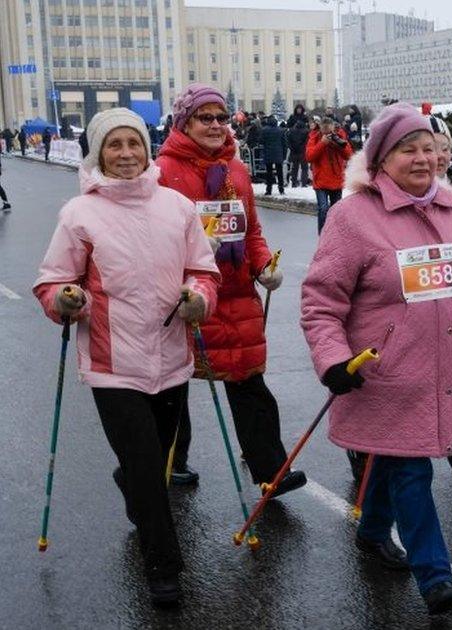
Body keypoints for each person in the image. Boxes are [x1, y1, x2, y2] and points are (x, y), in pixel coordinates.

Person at [300, 102, 452, 614]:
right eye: (405, 150)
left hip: (449, 367)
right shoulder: (352, 217)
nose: (421, 159)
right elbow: (322, 302)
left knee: (395, 461)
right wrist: (332, 360)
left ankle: (372, 529)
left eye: (428, 149)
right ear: (380, 160)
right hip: (383, 372)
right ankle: (434, 574)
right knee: (412, 470)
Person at [33, 107, 220, 606]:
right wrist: (66, 300)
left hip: (172, 356)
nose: (125, 155)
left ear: (146, 148)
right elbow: (53, 281)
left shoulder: (177, 207)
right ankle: (163, 566)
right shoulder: (79, 214)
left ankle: (132, 483)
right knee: (143, 463)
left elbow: (203, 270)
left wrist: (199, 297)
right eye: (113, 146)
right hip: (112, 364)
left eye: (133, 144)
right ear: (98, 153)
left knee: (152, 464)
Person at [155, 83, 305, 495]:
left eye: (222, 117)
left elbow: (251, 230)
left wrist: (263, 266)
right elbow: (153, 242)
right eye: (206, 118)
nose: (217, 125)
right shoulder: (163, 171)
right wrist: (196, 250)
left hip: (237, 296)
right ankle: (170, 464)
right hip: (187, 297)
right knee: (172, 388)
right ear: (185, 122)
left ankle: (270, 471)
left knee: (250, 384)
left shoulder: (236, 169)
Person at [305, 117, 353, 233]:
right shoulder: (315, 137)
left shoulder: (339, 136)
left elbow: (348, 155)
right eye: (324, 130)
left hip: (336, 179)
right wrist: (322, 143)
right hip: (320, 180)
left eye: (329, 130)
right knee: (323, 209)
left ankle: (335, 234)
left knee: (336, 210)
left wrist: (337, 144)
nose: (327, 133)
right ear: (321, 128)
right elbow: (309, 156)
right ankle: (323, 235)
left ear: (333, 127)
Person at [260, 114, 287, 195]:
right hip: (278, 153)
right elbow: (284, 143)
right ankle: (281, 189)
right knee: (279, 172)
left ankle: (269, 189)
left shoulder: (264, 130)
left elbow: (261, 141)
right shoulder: (281, 130)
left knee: (269, 172)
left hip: (268, 153)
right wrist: (284, 155)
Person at [287, 117, 310, 187]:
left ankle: (294, 182)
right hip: (303, 152)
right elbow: (307, 142)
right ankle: (304, 183)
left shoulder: (291, 131)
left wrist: (292, 148)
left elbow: (288, 141)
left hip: (294, 152)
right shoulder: (306, 131)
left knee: (294, 168)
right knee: (304, 168)